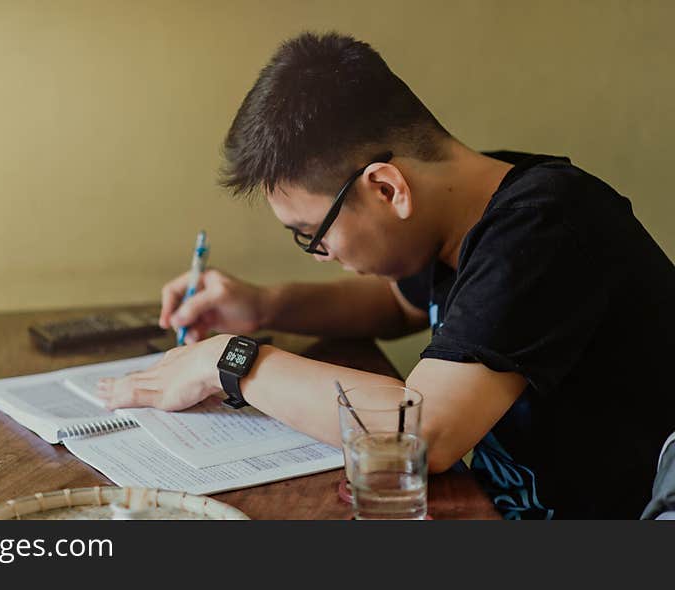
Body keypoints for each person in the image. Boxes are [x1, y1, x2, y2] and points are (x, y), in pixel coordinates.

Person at [95, 32, 675, 519]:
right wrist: (265, 305)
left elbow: (423, 432)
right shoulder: (469, 205)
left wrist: (229, 361)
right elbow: (399, 306)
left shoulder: (544, 227)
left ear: (386, 188)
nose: (317, 253)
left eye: (313, 234)